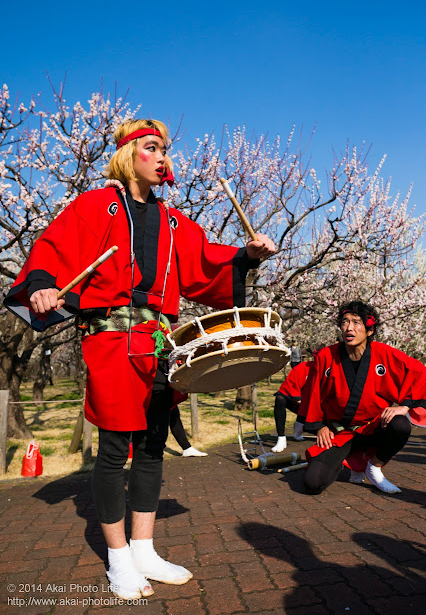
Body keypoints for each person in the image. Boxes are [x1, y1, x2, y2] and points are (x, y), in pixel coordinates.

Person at [4, 119, 275, 599]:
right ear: (130, 156)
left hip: (160, 342)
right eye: (153, 147)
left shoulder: (175, 222)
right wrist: (43, 284)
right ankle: (118, 560)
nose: (163, 156)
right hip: (109, 340)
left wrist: (246, 257)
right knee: (113, 449)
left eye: (166, 149)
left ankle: (144, 548)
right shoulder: (97, 204)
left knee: (152, 446)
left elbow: (206, 262)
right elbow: (54, 246)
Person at [299, 301, 426, 495]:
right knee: (313, 483)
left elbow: (419, 373)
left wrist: (405, 406)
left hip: (374, 427)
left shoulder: (384, 354)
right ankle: (347, 462)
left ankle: (374, 467)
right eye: (345, 322)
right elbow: (312, 393)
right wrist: (320, 426)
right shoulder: (326, 356)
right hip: (340, 433)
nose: (349, 328)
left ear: (369, 329)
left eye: (356, 322)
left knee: (400, 425)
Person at [271, 361, 311, 452]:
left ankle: (300, 426)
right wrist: (300, 401)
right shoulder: (302, 367)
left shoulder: (329, 371)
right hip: (298, 402)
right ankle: (281, 438)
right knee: (280, 399)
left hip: (317, 408)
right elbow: (289, 386)